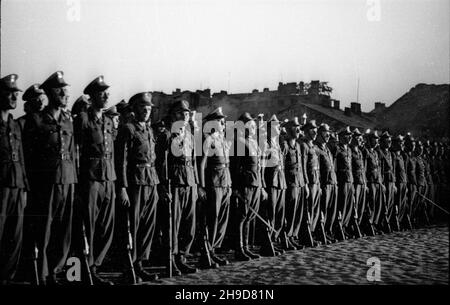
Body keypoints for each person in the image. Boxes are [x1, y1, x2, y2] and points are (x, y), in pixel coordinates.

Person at [23, 71, 77, 284]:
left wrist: (75, 180)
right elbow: (28, 155)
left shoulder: (67, 119)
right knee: (44, 228)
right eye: (61, 91)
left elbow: (73, 153)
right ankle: (42, 274)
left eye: (66, 91)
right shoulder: (36, 120)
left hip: (68, 179)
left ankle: (55, 270)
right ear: (50, 93)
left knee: (63, 230)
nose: (65, 94)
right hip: (45, 182)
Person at [74, 76, 116, 285]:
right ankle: (85, 270)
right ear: (92, 97)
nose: (106, 96)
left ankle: (95, 266)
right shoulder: (83, 118)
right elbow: (76, 151)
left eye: (107, 93)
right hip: (90, 178)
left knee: (106, 226)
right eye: (102, 94)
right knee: (88, 226)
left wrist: (116, 181)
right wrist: (78, 184)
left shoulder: (108, 121)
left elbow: (113, 153)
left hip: (108, 177)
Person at [115, 92, 160, 282]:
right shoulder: (128, 129)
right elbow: (122, 161)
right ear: (134, 109)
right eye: (143, 107)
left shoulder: (148, 130)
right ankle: (129, 266)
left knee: (147, 226)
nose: (147, 111)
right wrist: (123, 187)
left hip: (151, 180)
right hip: (135, 181)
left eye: (149, 108)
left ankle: (140, 264)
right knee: (132, 226)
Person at [0, 74, 28, 284]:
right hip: (1, 185)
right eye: (9, 93)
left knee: (14, 236)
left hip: (17, 185)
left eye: (15, 93)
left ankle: (7, 278)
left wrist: (25, 187)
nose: (13, 97)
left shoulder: (15, 124)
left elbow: (22, 158)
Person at [166, 100, 198, 274]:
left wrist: (197, 184)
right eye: (180, 113)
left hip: (189, 180)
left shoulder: (190, 135)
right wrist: (164, 185)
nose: (184, 116)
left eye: (186, 113)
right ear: (173, 115)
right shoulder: (168, 134)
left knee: (189, 224)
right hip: (175, 181)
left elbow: (193, 161)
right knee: (175, 224)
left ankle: (182, 257)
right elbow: (162, 162)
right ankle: (172, 258)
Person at [231, 112, 267, 260]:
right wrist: (236, 189)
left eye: (253, 125)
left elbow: (259, 166)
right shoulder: (239, 142)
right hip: (244, 185)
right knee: (241, 217)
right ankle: (239, 249)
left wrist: (262, 186)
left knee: (249, 217)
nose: (253, 128)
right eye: (250, 125)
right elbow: (235, 167)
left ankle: (246, 247)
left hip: (255, 184)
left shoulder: (253, 142)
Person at [198, 107, 232, 267]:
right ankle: (206, 251)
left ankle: (214, 249)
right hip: (213, 183)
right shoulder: (208, 139)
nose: (223, 123)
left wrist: (229, 184)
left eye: (223, 121)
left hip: (224, 182)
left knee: (222, 219)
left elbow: (227, 164)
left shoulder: (222, 140)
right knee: (213, 218)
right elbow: (202, 164)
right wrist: (201, 186)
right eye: (219, 121)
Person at [282, 117, 308, 249]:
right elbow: (281, 166)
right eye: (295, 127)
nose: (298, 129)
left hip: (299, 183)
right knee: (289, 212)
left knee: (297, 212)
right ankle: (286, 237)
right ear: (287, 129)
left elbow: (302, 166)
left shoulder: (297, 145)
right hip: (289, 183)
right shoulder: (285, 145)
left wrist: (305, 183)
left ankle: (292, 236)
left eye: (298, 127)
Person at [262, 115, 287, 254]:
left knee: (279, 213)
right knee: (270, 213)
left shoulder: (276, 143)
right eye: (277, 125)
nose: (280, 127)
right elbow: (263, 166)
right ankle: (267, 242)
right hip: (271, 182)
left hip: (280, 182)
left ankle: (274, 239)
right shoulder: (265, 143)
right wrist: (263, 185)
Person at [315, 123, 338, 241]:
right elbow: (316, 169)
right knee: (323, 209)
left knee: (331, 210)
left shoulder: (327, 149)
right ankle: (321, 232)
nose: (328, 134)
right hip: (324, 184)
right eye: (325, 132)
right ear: (319, 134)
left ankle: (328, 231)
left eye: (329, 132)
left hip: (332, 183)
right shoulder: (316, 149)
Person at [299, 120, 320, 246]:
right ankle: (305, 237)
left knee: (314, 210)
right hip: (310, 182)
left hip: (316, 181)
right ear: (306, 132)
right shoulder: (303, 145)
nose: (315, 132)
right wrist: (306, 184)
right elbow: (302, 166)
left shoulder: (312, 146)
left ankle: (311, 234)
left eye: (316, 130)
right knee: (308, 210)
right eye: (312, 130)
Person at [362, 130, 385, 234]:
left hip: (377, 181)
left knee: (378, 204)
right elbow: (364, 169)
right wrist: (366, 183)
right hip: (370, 181)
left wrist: (380, 182)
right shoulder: (365, 152)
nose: (376, 141)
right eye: (374, 139)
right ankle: (369, 225)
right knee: (371, 205)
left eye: (377, 139)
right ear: (369, 140)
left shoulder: (375, 153)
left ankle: (375, 224)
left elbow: (379, 168)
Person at [335, 126, 355, 238]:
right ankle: (339, 227)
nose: (350, 137)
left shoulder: (349, 150)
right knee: (342, 205)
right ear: (342, 137)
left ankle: (345, 227)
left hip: (349, 179)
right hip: (342, 180)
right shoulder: (338, 149)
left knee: (349, 205)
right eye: (348, 135)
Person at [378, 131, 396, 232]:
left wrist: (394, 183)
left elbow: (392, 169)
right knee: (384, 204)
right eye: (387, 140)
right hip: (384, 181)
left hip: (391, 181)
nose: (389, 142)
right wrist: (382, 183)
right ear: (382, 142)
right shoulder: (380, 153)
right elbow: (380, 169)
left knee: (390, 203)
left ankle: (388, 222)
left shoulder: (389, 153)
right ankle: (383, 224)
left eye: (389, 140)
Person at [391, 135, 409, 229]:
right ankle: (396, 222)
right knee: (397, 203)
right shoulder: (393, 155)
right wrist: (394, 184)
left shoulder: (401, 156)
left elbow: (404, 171)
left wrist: (406, 184)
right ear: (396, 144)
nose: (402, 144)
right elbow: (393, 170)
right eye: (400, 143)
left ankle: (400, 221)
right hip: (398, 183)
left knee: (402, 203)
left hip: (403, 182)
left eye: (402, 143)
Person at [350, 128, 367, 227]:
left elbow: (362, 169)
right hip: (355, 182)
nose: (361, 139)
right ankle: (353, 226)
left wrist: (365, 182)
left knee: (361, 205)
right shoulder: (351, 152)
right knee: (354, 206)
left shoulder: (359, 152)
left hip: (361, 182)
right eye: (358, 138)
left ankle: (358, 225)